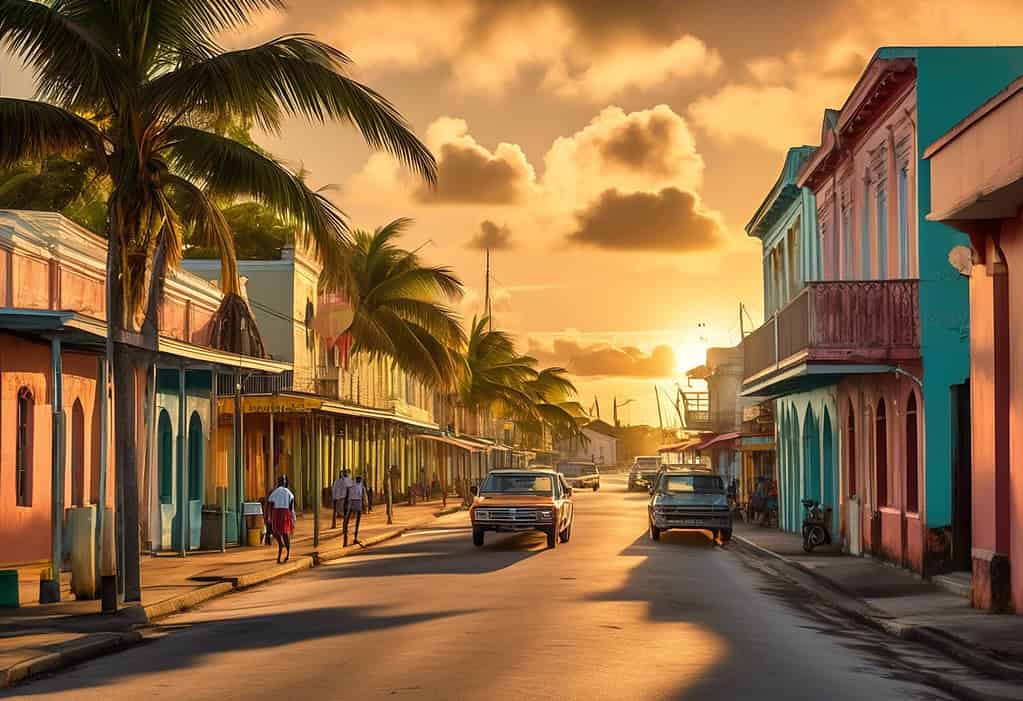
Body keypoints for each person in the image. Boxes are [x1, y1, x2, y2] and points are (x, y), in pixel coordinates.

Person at [268, 476, 296, 563]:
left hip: (276, 513)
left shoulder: (274, 492)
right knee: (285, 534)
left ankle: (281, 546)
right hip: (285, 513)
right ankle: (287, 554)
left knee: (276, 532)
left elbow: (270, 502)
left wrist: (270, 517)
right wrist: (292, 517)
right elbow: (291, 506)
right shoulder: (288, 492)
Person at [343, 475, 367, 547]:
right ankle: (349, 538)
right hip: (356, 503)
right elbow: (364, 497)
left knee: (349, 521)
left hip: (353, 503)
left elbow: (364, 497)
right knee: (354, 522)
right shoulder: (360, 486)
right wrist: (365, 506)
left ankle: (348, 539)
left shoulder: (353, 486)